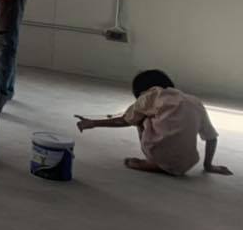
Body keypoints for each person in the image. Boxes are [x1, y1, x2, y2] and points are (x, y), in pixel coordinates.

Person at [76, 69, 230, 176]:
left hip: (161, 156)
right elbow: (211, 137)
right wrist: (208, 166)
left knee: (140, 118)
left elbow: (125, 120)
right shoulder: (195, 101)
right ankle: (164, 163)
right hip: (187, 163)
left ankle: (153, 163)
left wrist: (93, 123)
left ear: (141, 91)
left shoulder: (148, 97)